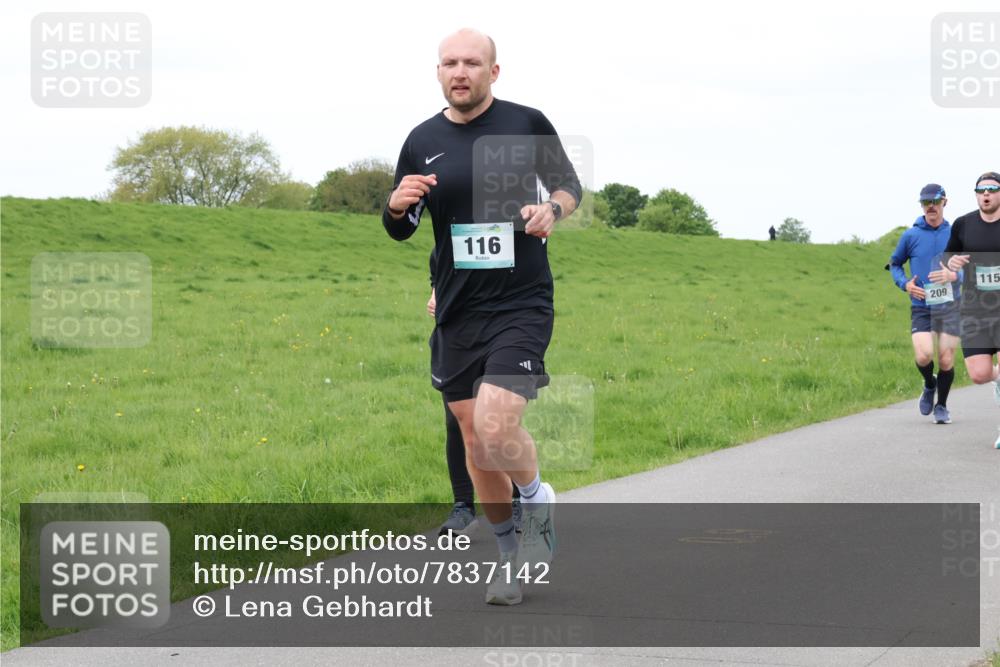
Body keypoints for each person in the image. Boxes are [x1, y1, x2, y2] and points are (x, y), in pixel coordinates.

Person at [383, 28, 582, 603]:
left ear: (495, 72)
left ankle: (538, 498)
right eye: (450, 63)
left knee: (498, 424)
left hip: (520, 302)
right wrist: (394, 207)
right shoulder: (422, 140)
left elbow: (569, 186)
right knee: (475, 442)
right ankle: (509, 558)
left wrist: (551, 209)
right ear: (439, 72)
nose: (460, 71)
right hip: (456, 308)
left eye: (473, 62)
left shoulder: (526, 123)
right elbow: (404, 226)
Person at [888, 184, 960, 424]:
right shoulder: (911, 235)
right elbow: (895, 264)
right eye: (925, 202)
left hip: (950, 305)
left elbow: (972, 267)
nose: (931, 206)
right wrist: (905, 284)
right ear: (921, 205)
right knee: (924, 356)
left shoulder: (956, 234)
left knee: (947, 359)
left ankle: (942, 406)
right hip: (922, 305)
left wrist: (954, 276)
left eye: (935, 202)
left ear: (944, 203)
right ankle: (930, 385)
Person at [945, 171, 1000, 448]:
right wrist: (951, 265)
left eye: (991, 188)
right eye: (981, 190)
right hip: (975, 310)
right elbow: (947, 261)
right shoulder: (963, 225)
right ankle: (997, 379)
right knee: (979, 374)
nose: (986, 194)